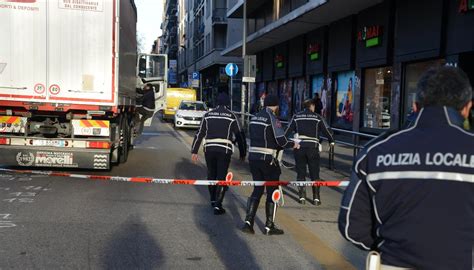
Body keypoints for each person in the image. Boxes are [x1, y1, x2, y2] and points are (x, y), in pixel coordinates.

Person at [338, 66, 473, 270]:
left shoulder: (376, 151)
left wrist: (389, 246)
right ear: (467, 108)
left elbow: (351, 227)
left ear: (415, 106)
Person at [241, 94, 300, 235]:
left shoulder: (254, 118)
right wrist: (294, 144)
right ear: (275, 105)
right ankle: (269, 225)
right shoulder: (273, 118)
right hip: (268, 159)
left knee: (258, 189)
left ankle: (248, 223)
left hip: (253, 158)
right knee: (272, 190)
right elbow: (281, 140)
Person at [191, 93, 247, 215]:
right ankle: (218, 204)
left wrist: (194, 151)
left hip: (209, 149)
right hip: (224, 150)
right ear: (228, 103)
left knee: (211, 175)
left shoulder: (208, 115)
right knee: (221, 176)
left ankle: (212, 200)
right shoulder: (232, 116)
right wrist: (243, 152)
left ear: (216, 102)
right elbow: (240, 135)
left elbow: (199, 133)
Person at [285, 99, 334, 205]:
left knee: (301, 172)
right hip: (313, 148)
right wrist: (331, 140)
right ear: (311, 106)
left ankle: (302, 197)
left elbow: (287, 131)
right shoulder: (317, 117)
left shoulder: (296, 116)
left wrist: (285, 142)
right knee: (314, 173)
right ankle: (316, 198)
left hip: (299, 147)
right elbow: (327, 131)